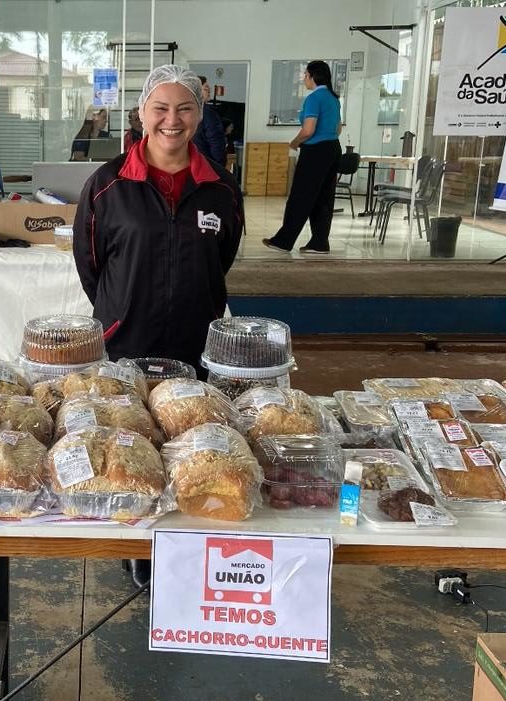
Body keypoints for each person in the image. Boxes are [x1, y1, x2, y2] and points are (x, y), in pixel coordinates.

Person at [74, 65, 243, 589]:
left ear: (199, 115)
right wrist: (118, 312)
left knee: (191, 446)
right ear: (142, 113)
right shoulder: (107, 186)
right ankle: (138, 547)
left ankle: (186, 545)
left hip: (195, 343)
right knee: (129, 449)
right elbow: (90, 263)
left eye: (185, 108)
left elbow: (223, 258)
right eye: (161, 108)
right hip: (128, 342)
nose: (173, 119)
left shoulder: (220, 188)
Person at [262, 60, 343, 255]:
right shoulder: (333, 98)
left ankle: (284, 241)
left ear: (312, 76)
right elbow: (338, 128)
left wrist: (295, 142)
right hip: (333, 148)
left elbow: (308, 130)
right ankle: (320, 242)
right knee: (324, 197)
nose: (304, 79)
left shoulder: (314, 98)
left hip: (315, 151)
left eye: (305, 75)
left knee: (301, 196)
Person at [193, 76, 227, 166]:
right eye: (206, 88)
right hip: (207, 165)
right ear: (197, 91)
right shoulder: (208, 112)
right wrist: (219, 166)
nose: (209, 91)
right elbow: (217, 142)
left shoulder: (187, 110)